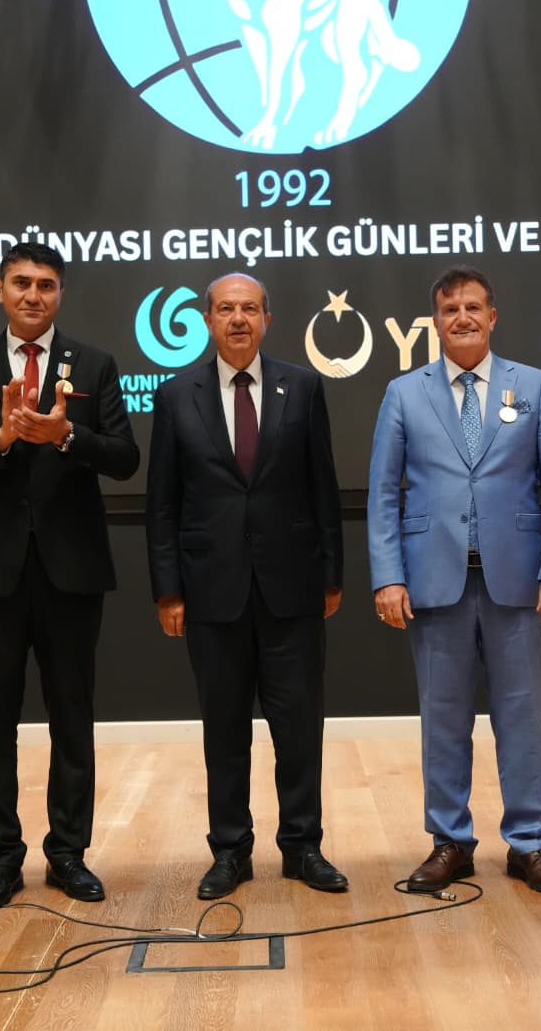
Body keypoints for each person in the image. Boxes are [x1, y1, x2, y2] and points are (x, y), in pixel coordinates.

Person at [0, 242, 139, 909]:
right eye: (21, 283)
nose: (33, 295)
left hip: (71, 571)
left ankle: (68, 854)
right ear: (0, 290)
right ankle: (1, 860)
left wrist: (63, 436)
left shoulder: (95, 365)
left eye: (46, 285)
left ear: (60, 294)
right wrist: (2, 439)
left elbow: (125, 458)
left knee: (72, 719)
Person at [367, 264, 541, 896]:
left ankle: (529, 843)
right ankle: (450, 841)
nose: (462, 318)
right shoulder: (404, 393)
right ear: (435, 322)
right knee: (443, 719)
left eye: (473, 307)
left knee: (521, 718)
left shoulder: (533, 387)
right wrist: (388, 577)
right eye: (450, 309)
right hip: (434, 584)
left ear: (493, 317)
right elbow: (383, 495)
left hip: (517, 582)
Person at [145, 272, 347, 900]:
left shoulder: (303, 386)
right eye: (227, 309)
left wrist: (332, 574)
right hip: (212, 591)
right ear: (207, 320)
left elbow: (323, 487)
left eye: (250, 309)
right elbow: (163, 502)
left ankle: (303, 847)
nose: (238, 319)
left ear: (267, 319)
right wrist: (168, 588)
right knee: (224, 731)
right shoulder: (176, 395)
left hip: (293, 588)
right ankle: (230, 851)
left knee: (299, 728)